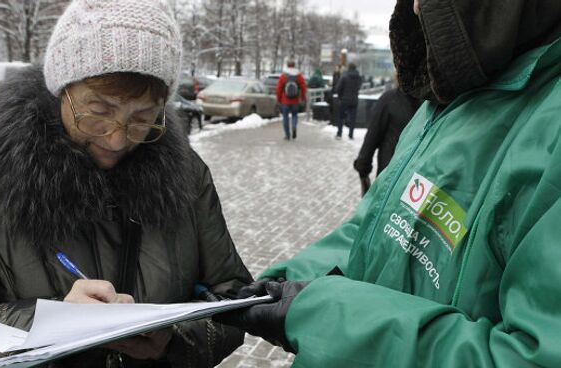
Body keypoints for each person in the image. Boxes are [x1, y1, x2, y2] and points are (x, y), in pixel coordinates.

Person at [215, 0, 561, 366]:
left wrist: (325, 315)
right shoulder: (441, 103)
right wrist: (283, 285)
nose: (414, 7)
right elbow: (373, 229)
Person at [0, 0, 253, 367]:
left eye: (142, 117)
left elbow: (232, 299)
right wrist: (44, 324)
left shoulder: (188, 175)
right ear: (63, 90)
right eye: (99, 112)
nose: (117, 139)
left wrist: (177, 339)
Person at [353, 86, 421, 195]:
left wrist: (363, 167)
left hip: (389, 174)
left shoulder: (390, 99)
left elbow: (373, 135)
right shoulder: (434, 106)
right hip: (418, 183)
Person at [276, 59, 307, 140]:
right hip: (295, 100)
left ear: (287, 65)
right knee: (294, 115)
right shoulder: (298, 75)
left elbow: (279, 88)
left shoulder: (284, 76)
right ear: (294, 65)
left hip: (285, 100)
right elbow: (303, 87)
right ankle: (294, 126)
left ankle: (287, 135)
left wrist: (278, 99)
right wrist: (303, 97)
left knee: (285, 117)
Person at [334, 63, 363, 139]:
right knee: (352, 118)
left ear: (348, 68)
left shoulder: (344, 76)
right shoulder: (359, 77)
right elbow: (359, 87)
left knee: (341, 117)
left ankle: (339, 133)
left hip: (344, 100)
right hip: (354, 100)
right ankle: (351, 134)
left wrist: (340, 97)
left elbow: (338, 89)